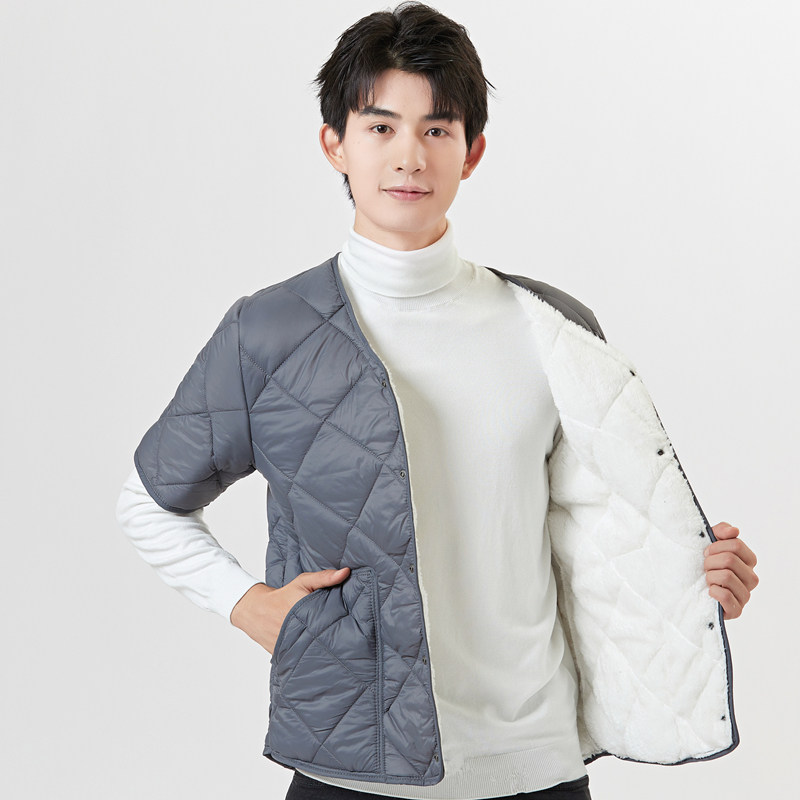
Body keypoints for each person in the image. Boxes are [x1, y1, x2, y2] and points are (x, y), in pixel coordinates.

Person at [115, 4, 759, 800]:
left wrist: (690, 576)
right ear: (334, 144)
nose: (409, 156)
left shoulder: (554, 329)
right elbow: (147, 502)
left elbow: (598, 534)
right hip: (352, 772)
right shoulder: (269, 333)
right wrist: (246, 604)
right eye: (380, 127)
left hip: (539, 767)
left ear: (471, 151)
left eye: (437, 129)